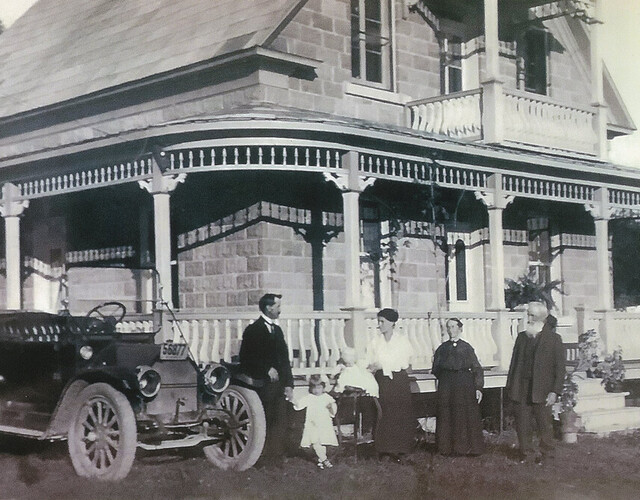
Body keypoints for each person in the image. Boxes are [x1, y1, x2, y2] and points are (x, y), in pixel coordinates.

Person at [505, 301, 565, 464]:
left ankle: (547, 455)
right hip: (522, 388)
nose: (528, 318)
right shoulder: (522, 338)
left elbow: (560, 369)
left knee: (544, 425)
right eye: (528, 315)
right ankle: (526, 453)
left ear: (540, 318)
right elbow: (514, 365)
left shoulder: (554, 340)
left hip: (543, 389)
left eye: (531, 315)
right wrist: (510, 387)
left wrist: (555, 392)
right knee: (523, 424)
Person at [239, 293, 293, 463]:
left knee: (281, 420)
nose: (280, 310)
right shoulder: (253, 330)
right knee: (266, 420)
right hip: (262, 385)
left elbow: (284, 359)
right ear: (269, 308)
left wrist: (289, 384)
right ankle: (263, 457)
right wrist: (265, 368)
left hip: (279, 386)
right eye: (278, 306)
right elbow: (246, 358)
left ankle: (276, 456)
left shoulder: (277, 330)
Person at [367, 308, 415, 462]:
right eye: (378, 321)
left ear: (392, 323)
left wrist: (381, 364)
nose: (379, 325)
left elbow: (404, 362)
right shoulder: (375, 342)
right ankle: (384, 450)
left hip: (398, 380)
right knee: (384, 414)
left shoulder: (402, 341)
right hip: (382, 381)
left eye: (382, 322)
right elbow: (370, 359)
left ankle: (401, 450)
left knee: (400, 414)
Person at [432, 318, 485, 456]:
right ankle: (446, 449)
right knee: (446, 414)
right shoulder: (442, 348)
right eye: (448, 327)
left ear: (460, 329)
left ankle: (467, 448)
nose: (451, 330)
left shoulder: (467, 348)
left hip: (464, 384)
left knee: (463, 415)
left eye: (454, 327)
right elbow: (436, 368)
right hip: (447, 384)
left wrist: (478, 388)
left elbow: (477, 368)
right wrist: (444, 379)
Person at [293, 375, 338, 469]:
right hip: (312, 423)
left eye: (319, 387)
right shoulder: (310, 397)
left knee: (323, 442)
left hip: (324, 423)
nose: (316, 390)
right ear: (311, 388)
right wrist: (293, 400)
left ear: (323, 388)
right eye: (314, 388)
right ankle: (324, 460)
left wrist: (331, 408)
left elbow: (333, 410)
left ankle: (321, 460)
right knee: (314, 441)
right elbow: (299, 405)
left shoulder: (327, 397)